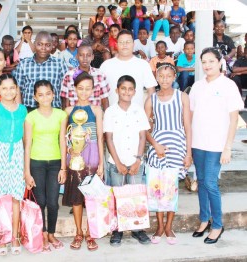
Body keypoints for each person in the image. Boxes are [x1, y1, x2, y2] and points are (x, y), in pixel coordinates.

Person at [190, 47, 243, 244]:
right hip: (198, 143)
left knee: (211, 183)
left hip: (216, 145)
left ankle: (218, 225)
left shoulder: (228, 86)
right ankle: (204, 219)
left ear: (220, 62)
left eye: (211, 61)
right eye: (204, 62)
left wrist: (228, 146)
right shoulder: (197, 86)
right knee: (202, 181)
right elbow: (192, 115)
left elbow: (233, 118)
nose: (207, 65)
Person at [145, 63, 192, 245]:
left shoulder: (182, 97)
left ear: (174, 77)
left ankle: (169, 226)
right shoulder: (151, 100)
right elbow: (144, 129)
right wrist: (155, 145)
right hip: (158, 147)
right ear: (156, 78)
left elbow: (187, 126)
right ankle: (159, 226)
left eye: (168, 76)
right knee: (158, 188)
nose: (164, 79)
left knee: (171, 188)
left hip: (177, 146)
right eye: (161, 76)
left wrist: (188, 153)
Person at [104, 75, 150, 246]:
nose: (126, 92)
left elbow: (142, 136)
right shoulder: (110, 111)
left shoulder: (138, 110)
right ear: (117, 90)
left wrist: (138, 160)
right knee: (118, 196)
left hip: (135, 161)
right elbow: (108, 138)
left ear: (135, 92)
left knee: (136, 196)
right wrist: (118, 163)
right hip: (116, 162)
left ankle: (138, 229)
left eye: (130, 89)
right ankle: (118, 230)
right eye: (123, 88)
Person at [0, 73, 27, 256]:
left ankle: (16, 236)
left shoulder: (23, 110)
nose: (9, 91)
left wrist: (26, 167)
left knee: (16, 197)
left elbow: (26, 140)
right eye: (4, 88)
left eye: (12, 87)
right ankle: (1, 238)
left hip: (17, 153)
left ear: (16, 89)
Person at [24, 80, 68, 253]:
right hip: (36, 163)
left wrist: (63, 167)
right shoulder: (30, 117)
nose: (45, 97)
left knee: (53, 202)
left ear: (53, 94)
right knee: (40, 201)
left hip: (55, 163)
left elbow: (63, 142)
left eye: (48, 93)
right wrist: (26, 172)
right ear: (35, 97)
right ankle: (42, 234)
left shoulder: (61, 115)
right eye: (40, 94)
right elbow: (27, 144)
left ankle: (51, 233)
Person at [62, 71, 104, 251]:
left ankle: (91, 233)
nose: (84, 92)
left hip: (93, 155)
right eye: (81, 88)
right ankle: (79, 232)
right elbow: (64, 137)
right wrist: (68, 154)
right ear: (75, 89)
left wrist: (101, 163)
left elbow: (100, 137)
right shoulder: (68, 110)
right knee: (77, 197)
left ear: (93, 90)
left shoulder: (96, 110)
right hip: (76, 157)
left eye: (88, 88)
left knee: (92, 197)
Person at [13, 31, 68, 111]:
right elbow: (18, 91)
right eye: (40, 44)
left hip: (54, 110)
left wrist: (64, 112)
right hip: (30, 109)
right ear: (34, 44)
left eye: (48, 45)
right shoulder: (23, 64)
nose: (43, 48)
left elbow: (65, 91)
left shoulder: (60, 64)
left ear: (52, 46)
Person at [100, 30, 157, 107]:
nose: (125, 45)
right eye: (121, 42)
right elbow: (101, 94)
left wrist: (147, 115)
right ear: (116, 45)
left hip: (137, 115)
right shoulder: (106, 65)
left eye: (128, 42)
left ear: (133, 44)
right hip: (112, 115)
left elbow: (151, 92)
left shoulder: (143, 65)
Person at [61, 45, 110, 110]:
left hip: (95, 116)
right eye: (81, 55)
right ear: (77, 56)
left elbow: (105, 99)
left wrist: (105, 117)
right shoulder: (69, 75)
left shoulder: (100, 75)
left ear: (92, 57)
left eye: (88, 55)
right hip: (74, 116)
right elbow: (65, 101)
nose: (85, 58)